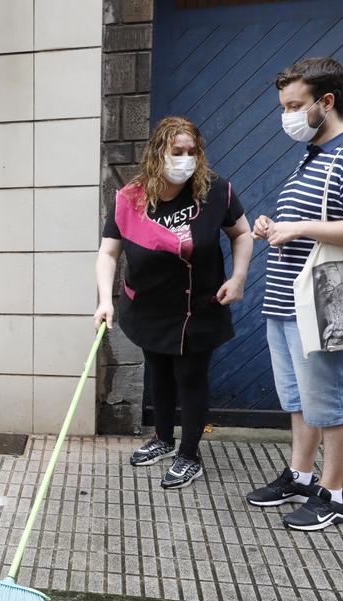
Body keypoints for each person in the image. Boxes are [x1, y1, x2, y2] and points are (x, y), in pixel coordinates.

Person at [246, 57, 343, 530]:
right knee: (299, 401)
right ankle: (301, 475)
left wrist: (298, 229)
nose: (286, 116)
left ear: (326, 102)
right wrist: (273, 225)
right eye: (284, 106)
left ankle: (334, 496)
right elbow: (315, 221)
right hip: (287, 302)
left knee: (331, 403)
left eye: (295, 105)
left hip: (326, 305)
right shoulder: (314, 154)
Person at [95, 116, 253, 489]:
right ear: (157, 154)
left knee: (190, 377)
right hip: (149, 305)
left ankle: (189, 454)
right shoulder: (130, 198)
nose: (185, 159)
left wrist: (239, 277)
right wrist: (105, 299)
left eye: (191, 152)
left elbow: (242, 233)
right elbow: (108, 252)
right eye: (176, 152)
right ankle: (163, 439)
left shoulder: (216, 192)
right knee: (159, 373)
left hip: (199, 305)